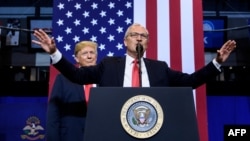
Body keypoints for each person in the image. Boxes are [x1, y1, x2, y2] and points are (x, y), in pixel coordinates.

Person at [32, 23, 236, 89]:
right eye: (134, 35)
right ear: (124, 41)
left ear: (148, 42)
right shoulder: (108, 65)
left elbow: (191, 81)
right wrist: (54, 53)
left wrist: (216, 62)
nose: (139, 38)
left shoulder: (159, 67)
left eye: (143, 36)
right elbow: (77, 77)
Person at [46, 41, 98, 141]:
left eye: (92, 53)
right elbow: (53, 113)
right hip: (71, 136)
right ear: (76, 58)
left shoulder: (105, 78)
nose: (89, 56)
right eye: (84, 53)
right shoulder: (63, 80)